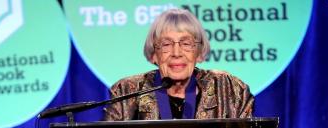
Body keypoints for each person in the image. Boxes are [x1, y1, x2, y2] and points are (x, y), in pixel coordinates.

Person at [104, 8, 254, 121]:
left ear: (199, 52)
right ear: (153, 54)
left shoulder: (229, 89)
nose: (176, 53)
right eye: (166, 44)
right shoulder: (125, 92)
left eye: (186, 43)